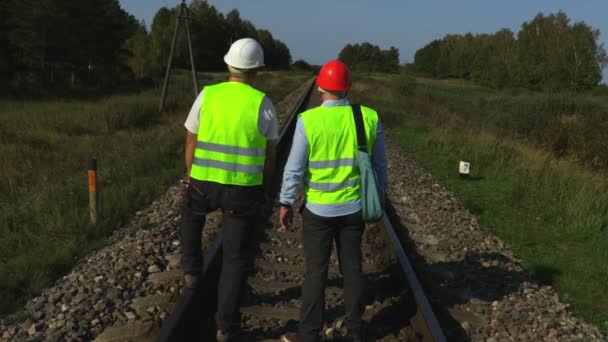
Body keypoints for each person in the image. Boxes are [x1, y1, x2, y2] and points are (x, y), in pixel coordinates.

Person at [278, 60, 388, 342]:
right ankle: (355, 328)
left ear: (320, 87)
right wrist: (381, 197)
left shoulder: (308, 120)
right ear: (347, 88)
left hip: (317, 211)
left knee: (315, 271)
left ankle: (309, 332)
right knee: (352, 268)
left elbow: (294, 168)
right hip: (353, 209)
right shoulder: (367, 117)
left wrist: (285, 202)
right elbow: (380, 167)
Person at [180, 37, 278, 342]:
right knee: (235, 257)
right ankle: (224, 326)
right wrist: (264, 187)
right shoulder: (262, 103)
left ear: (228, 64)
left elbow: (191, 140)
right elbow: (270, 154)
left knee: (190, 213)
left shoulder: (207, 95)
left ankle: (191, 271)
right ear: (257, 70)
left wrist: (190, 175)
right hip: (242, 191)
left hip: (204, 182)